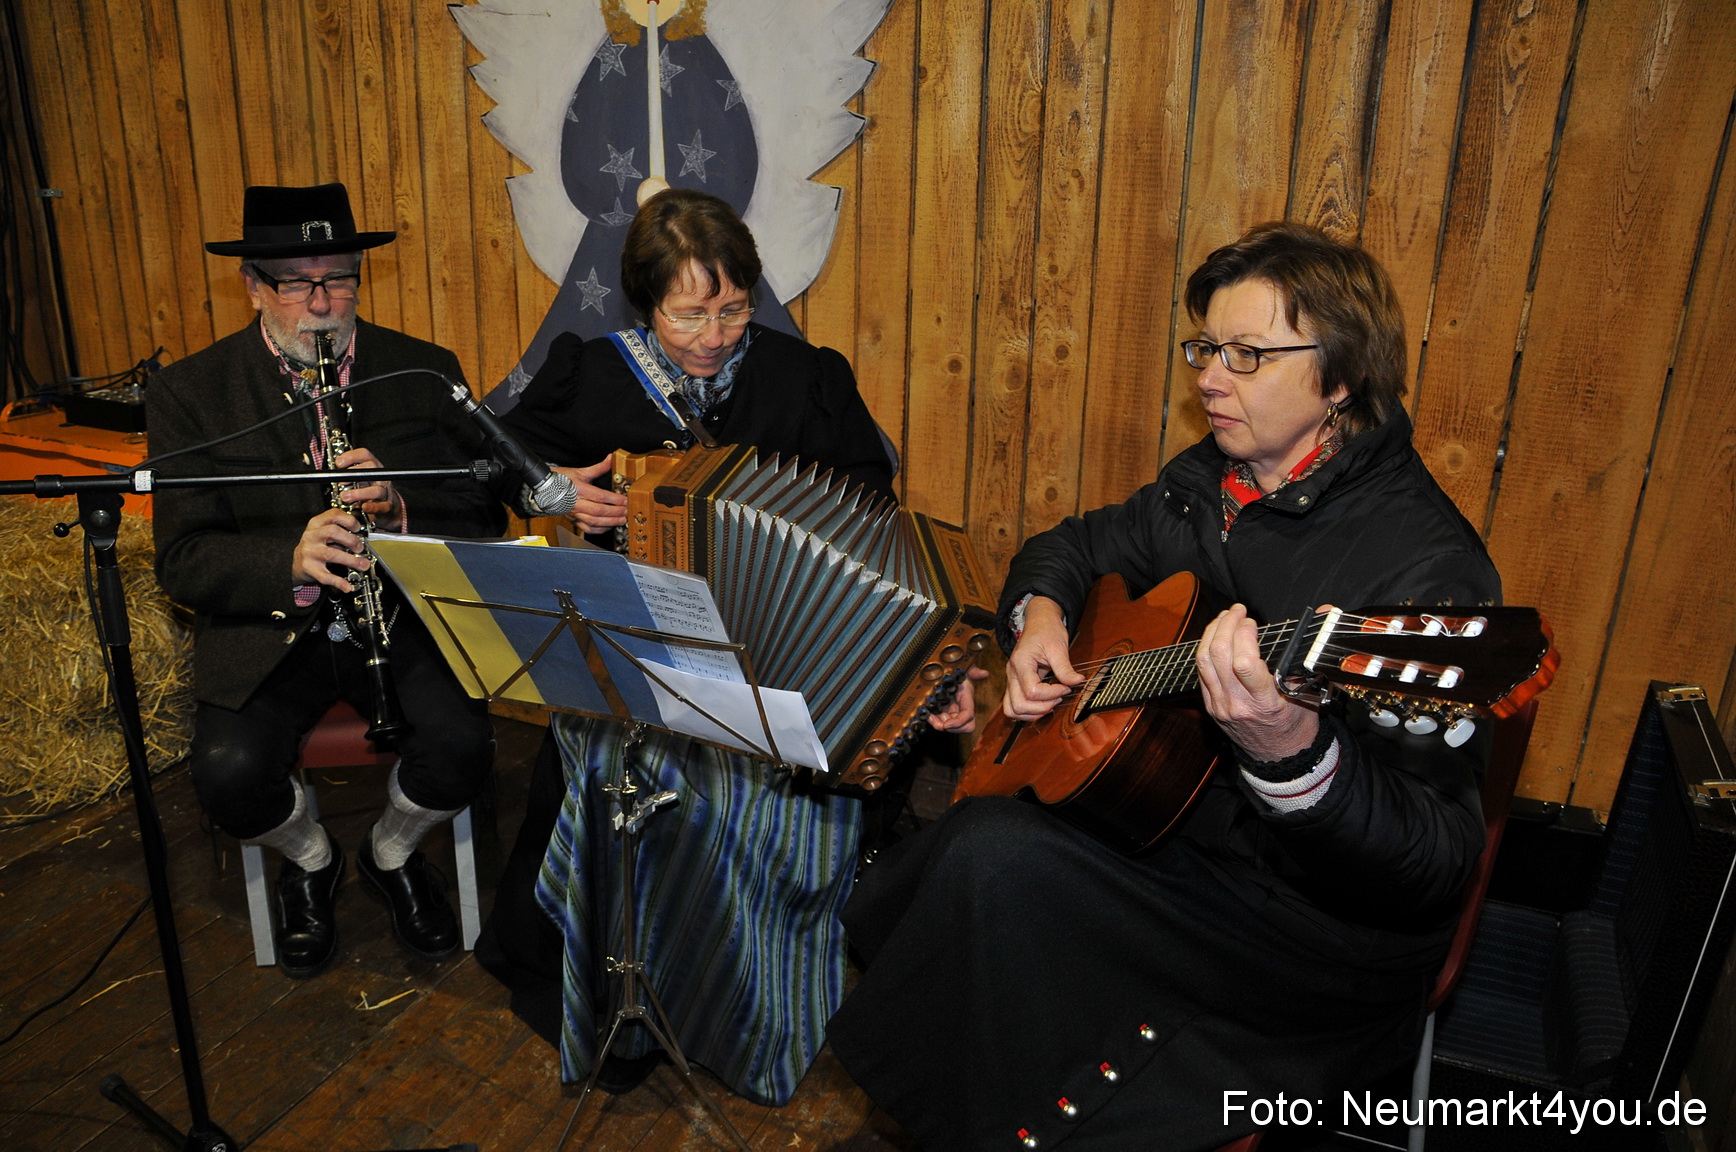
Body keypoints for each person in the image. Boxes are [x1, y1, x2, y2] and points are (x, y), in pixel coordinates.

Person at [825, 221, 1503, 1151]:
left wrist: (1292, 754)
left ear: (1340, 380)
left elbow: (1434, 862)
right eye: (1206, 349)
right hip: (1184, 825)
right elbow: (1068, 547)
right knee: (986, 840)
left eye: (1247, 355)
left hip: (1308, 924)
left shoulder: (1424, 570)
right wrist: (1042, 622)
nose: (1211, 379)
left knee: (993, 859)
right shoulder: (1211, 482)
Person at [476, 187, 970, 1106]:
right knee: (609, 755)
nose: (713, 333)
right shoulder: (590, 373)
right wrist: (552, 493)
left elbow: (868, 500)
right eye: (688, 313)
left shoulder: (803, 375)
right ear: (645, 303)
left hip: (784, 633)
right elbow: (499, 454)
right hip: (648, 634)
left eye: (732, 308)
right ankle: (618, 970)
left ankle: (748, 974)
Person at [149, 183, 508, 978]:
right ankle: (310, 857)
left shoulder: (423, 370)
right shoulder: (191, 394)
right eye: (295, 282)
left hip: (403, 615)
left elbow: (485, 510)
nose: (321, 301)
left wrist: (404, 501)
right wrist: (288, 556)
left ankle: (390, 851)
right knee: (228, 777)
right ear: (252, 286)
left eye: (339, 277)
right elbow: (182, 559)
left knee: (463, 747)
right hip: (273, 627)